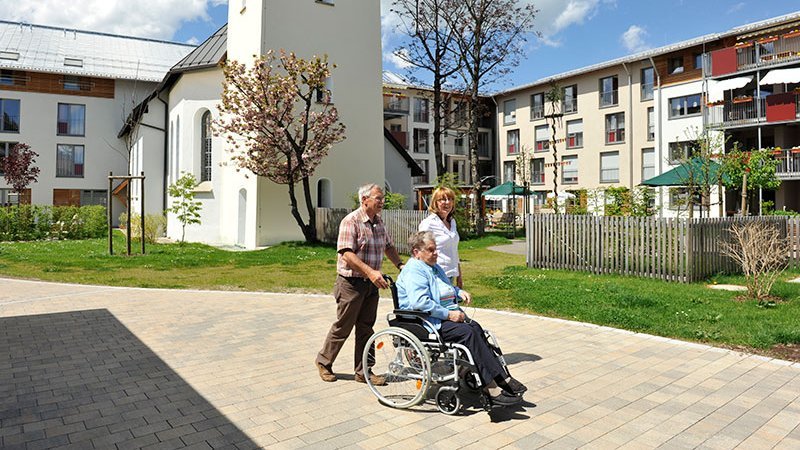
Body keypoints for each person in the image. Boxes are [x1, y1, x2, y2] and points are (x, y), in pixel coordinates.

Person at [396, 231, 527, 406]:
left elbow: (446, 288)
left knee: (476, 328)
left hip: (441, 318)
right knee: (468, 333)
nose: (436, 253)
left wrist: (459, 292)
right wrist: (449, 314)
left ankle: (501, 377)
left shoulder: (434, 267)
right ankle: (490, 386)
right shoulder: (414, 270)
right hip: (426, 322)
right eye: (430, 250)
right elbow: (419, 302)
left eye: (436, 249)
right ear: (416, 252)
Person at [316, 183, 405, 385]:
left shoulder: (379, 222)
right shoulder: (351, 221)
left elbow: (388, 246)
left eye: (382, 198)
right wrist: (371, 272)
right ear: (364, 200)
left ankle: (364, 370)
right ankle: (324, 362)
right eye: (378, 198)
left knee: (366, 328)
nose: (382, 202)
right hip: (351, 283)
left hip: (371, 284)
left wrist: (400, 265)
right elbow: (346, 253)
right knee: (343, 326)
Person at [419, 187, 462, 288]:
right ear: (435, 202)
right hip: (436, 275)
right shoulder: (428, 223)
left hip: (451, 273)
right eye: (443, 199)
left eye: (450, 199)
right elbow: (421, 250)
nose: (447, 202)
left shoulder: (452, 222)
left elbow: (454, 250)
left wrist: (459, 275)